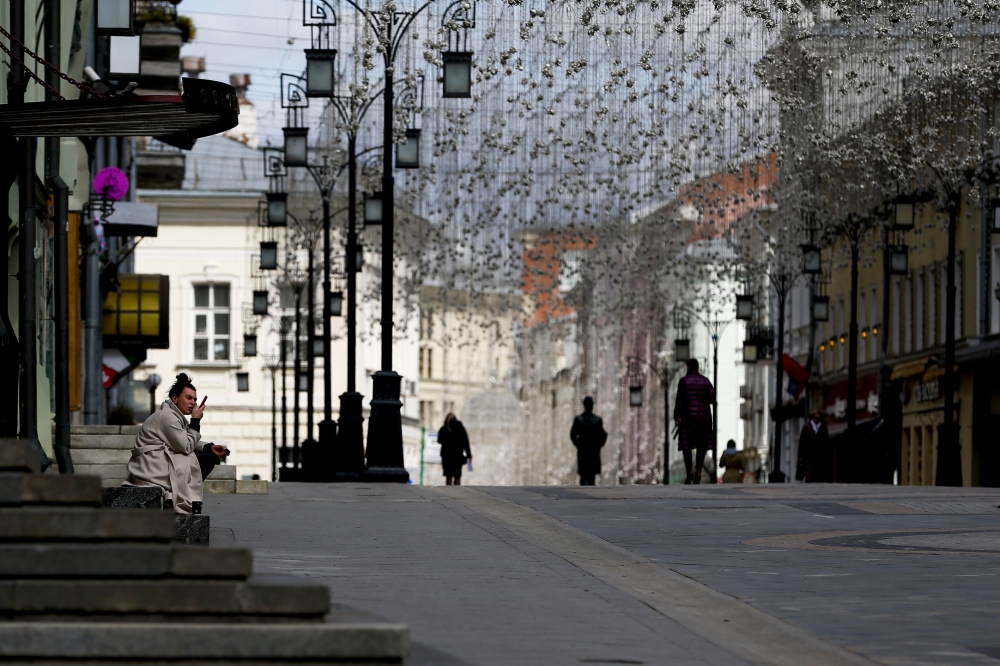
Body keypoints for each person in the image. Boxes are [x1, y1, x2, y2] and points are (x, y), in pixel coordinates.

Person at [123, 374, 230, 513]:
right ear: (175, 398)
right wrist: (195, 421)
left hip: (157, 460)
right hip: (152, 465)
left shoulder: (172, 414)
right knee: (207, 460)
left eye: (195, 399)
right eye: (189, 398)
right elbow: (186, 446)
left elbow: (182, 438)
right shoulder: (168, 417)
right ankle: (184, 497)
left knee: (206, 455)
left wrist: (209, 447)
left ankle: (184, 495)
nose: (193, 403)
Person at [674, 358, 715, 484]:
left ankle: (689, 472)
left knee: (687, 446)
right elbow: (712, 397)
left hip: (687, 419)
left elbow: (679, 401)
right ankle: (698, 471)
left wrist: (677, 417)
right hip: (703, 419)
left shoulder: (683, 382)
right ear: (698, 368)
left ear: (687, 367)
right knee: (701, 446)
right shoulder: (705, 381)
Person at [571, 396, 608, 486]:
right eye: (588, 404)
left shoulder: (597, 419)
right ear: (585, 405)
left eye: (590, 404)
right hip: (584, 450)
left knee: (591, 476)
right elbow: (573, 434)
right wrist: (578, 444)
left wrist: (599, 445)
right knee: (584, 475)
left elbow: (603, 434)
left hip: (593, 450)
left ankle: (589, 492)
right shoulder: (579, 419)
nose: (589, 406)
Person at [438, 412, 472, 486]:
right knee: (457, 477)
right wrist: (469, 455)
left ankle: (448, 493)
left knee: (448, 477)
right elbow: (466, 442)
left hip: (447, 456)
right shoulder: (461, 428)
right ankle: (457, 493)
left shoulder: (443, 429)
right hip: (457, 456)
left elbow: (439, 440)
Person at [797, 411, 830, 483]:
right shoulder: (807, 427)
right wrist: (800, 454)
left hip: (819, 454)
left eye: (818, 418)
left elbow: (826, 442)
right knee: (809, 472)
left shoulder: (823, 428)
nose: (817, 420)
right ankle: (809, 483)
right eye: (815, 418)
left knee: (818, 471)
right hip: (808, 454)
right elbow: (802, 441)